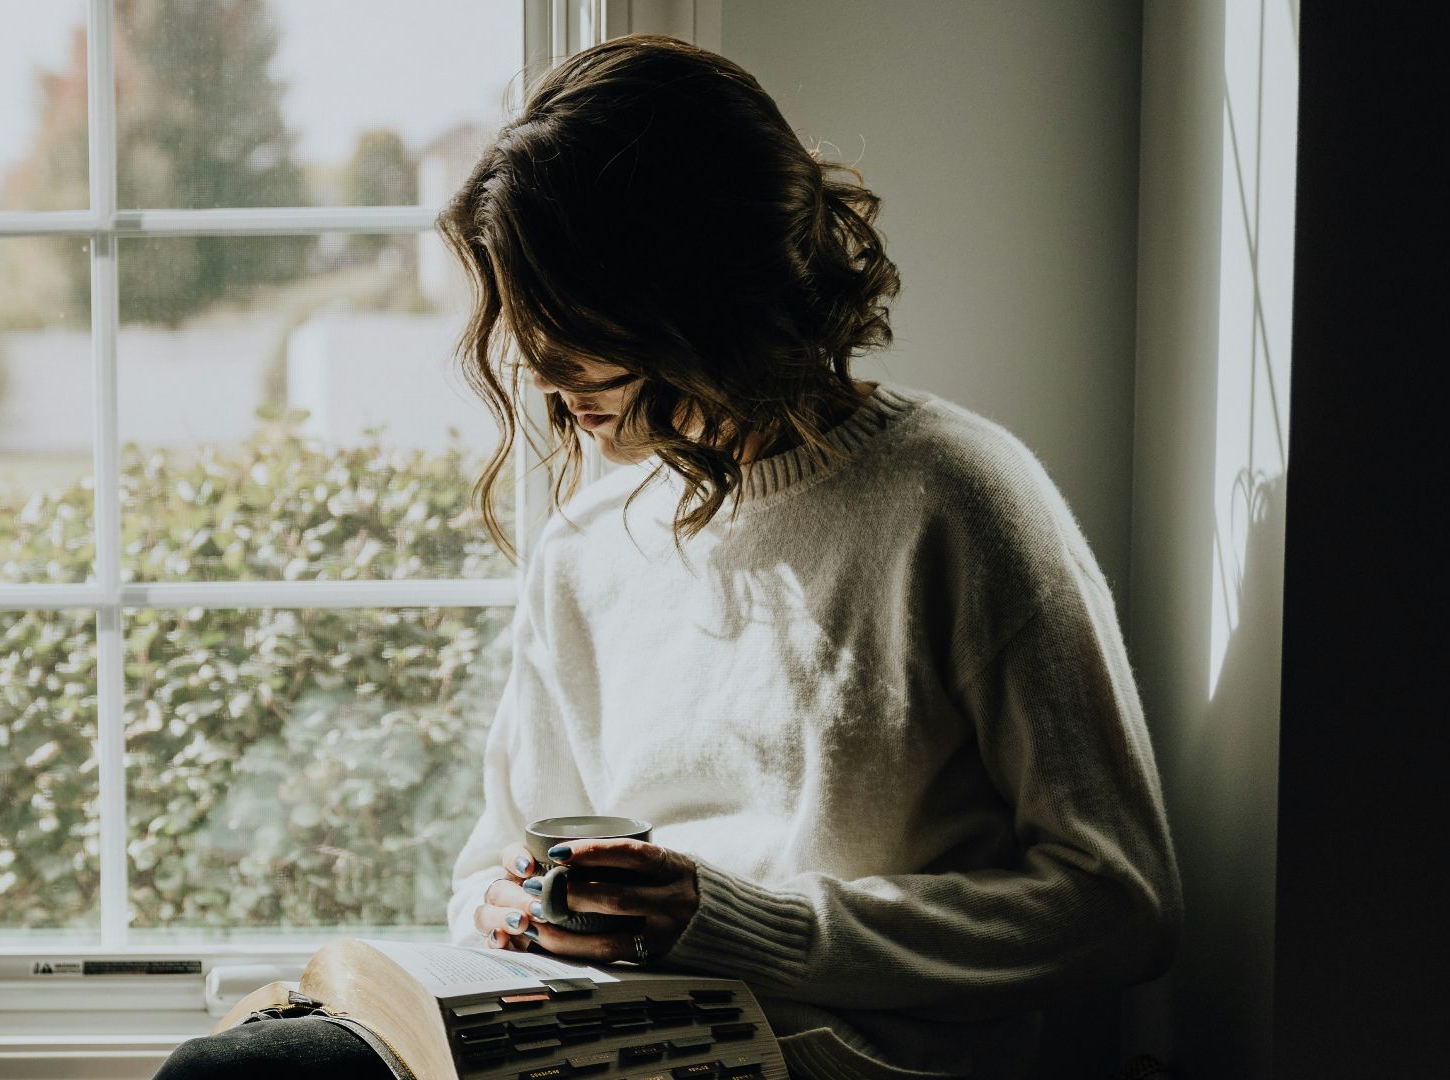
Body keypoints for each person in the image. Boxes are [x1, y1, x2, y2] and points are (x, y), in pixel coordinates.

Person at [153, 31, 1180, 1080]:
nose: (539, 367)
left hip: (846, 1053)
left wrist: (734, 923)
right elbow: (485, 871)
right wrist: (514, 907)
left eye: (570, 317)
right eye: (522, 317)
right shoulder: (590, 549)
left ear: (696, 285)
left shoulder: (955, 500)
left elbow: (1119, 906)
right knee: (235, 1067)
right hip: (596, 1034)